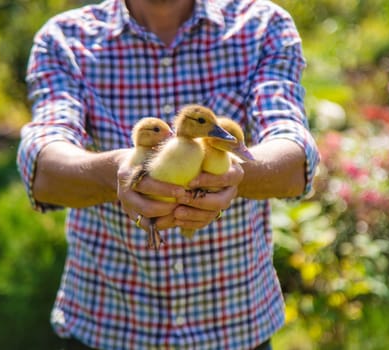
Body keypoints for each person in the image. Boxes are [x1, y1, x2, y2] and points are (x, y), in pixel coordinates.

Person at [17, 0, 320, 349]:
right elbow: (42, 161)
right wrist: (114, 173)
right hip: (109, 326)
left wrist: (237, 174)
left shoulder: (261, 26)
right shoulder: (64, 40)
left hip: (234, 328)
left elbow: (295, 152)